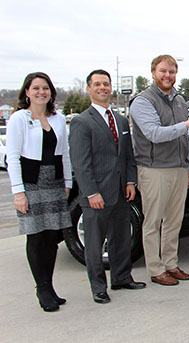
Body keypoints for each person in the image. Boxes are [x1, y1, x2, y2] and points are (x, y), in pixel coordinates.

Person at [69, 70, 146, 304]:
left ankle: (122, 278)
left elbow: (128, 156)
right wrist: (91, 192)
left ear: (110, 87)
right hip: (97, 195)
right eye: (97, 84)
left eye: (105, 84)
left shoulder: (121, 120)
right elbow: (81, 164)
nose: (102, 87)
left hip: (121, 192)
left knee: (121, 239)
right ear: (89, 88)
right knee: (94, 245)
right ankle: (98, 287)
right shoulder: (82, 122)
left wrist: (131, 181)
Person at [130, 55, 189, 286]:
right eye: (163, 71)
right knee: (153, 222)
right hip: (154, 170)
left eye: (172, 72)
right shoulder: (143, 101)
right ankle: (155, 268)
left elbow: (183, 135)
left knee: (174, 221)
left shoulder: (180, 100)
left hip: (179, 169)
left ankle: (171, 264)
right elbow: (154, 133)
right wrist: (186, 125)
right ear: (153, 72)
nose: (168, 76)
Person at [6, 72, 72, 312]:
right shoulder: (19, 119)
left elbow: (64, 153)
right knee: (35, 237)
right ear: (27, 92)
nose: (41, 92)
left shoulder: (58, 118)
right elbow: (12, 157)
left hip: (54, 183)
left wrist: (67, 183)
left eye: (45, 88)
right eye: (36, 88)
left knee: (51, 238)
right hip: (31, 183)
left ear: (51, 92)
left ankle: (50, 285)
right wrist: (18, 192)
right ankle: (41, 288)